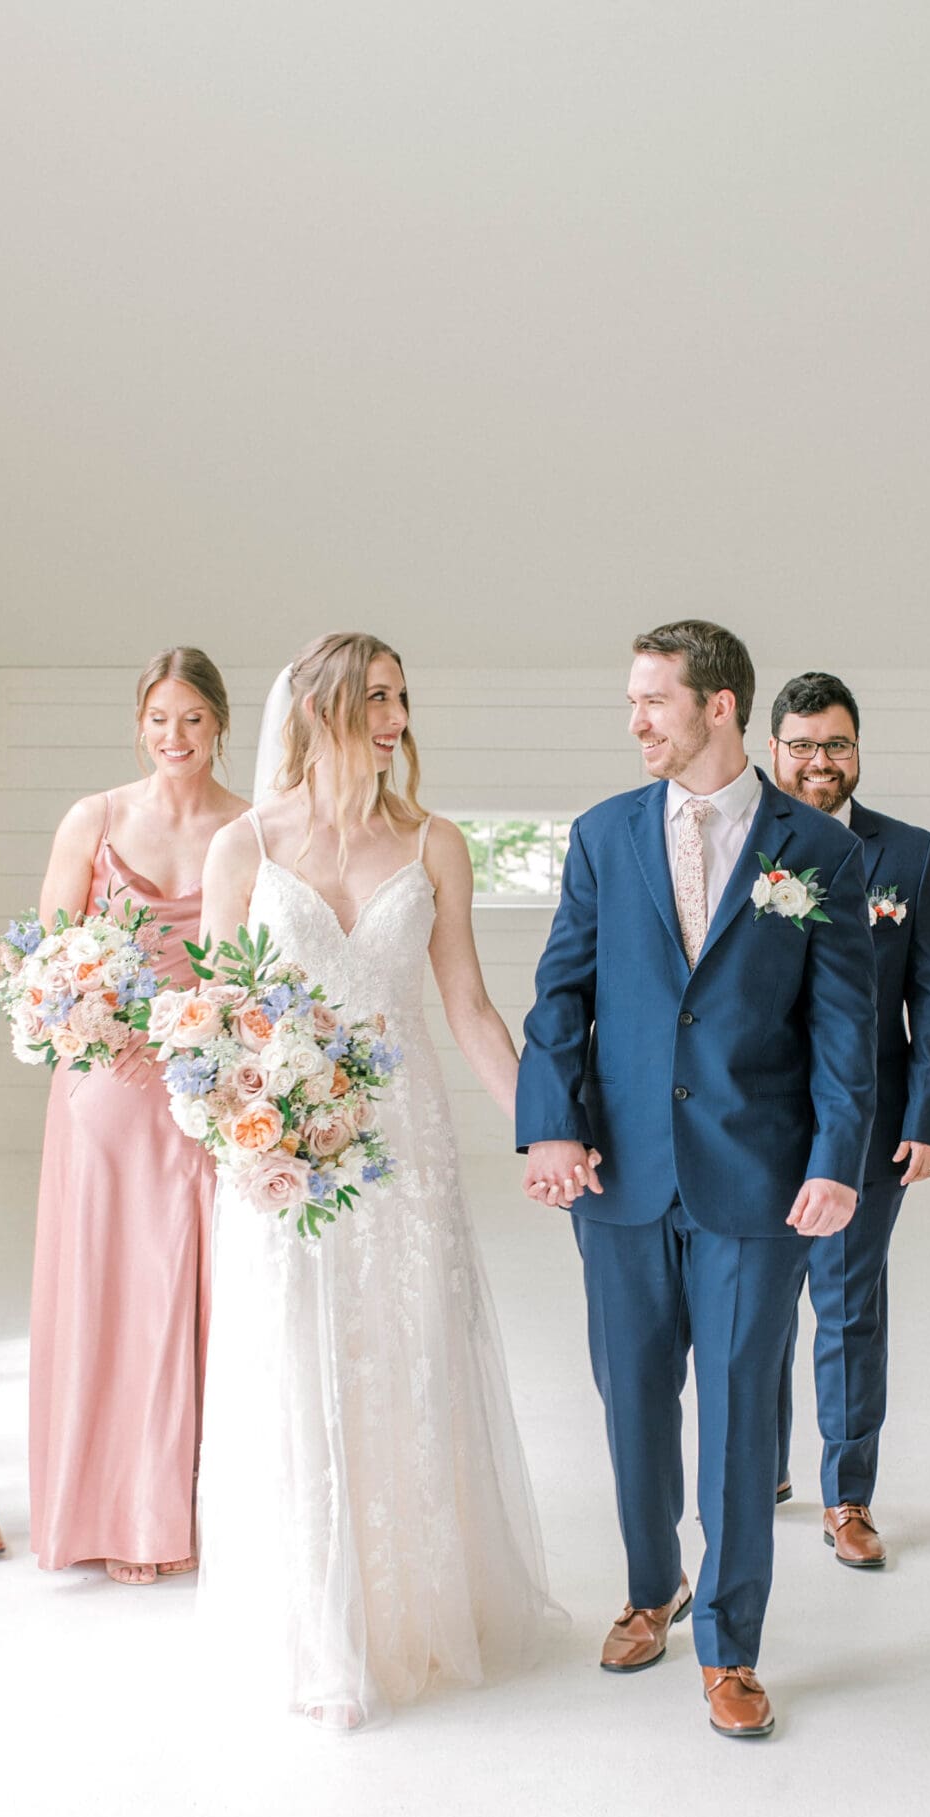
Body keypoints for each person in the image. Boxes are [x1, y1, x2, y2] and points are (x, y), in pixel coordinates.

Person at [192, 632, 555, 1730]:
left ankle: (407, 1614)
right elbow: (216, 1018)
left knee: (407, 1350)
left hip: (404, 1143)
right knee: (297, 1356)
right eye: (377, 697)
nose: (397, 717)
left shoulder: (435, 842)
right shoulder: (245, 846)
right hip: (287, 1150)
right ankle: (315, 1627)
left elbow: (470, 1008)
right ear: (321, 709)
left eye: (402, 696)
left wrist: (545, 1130)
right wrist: (248, 1133)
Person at [520, 619, 875, 1741]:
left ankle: (730, 1644)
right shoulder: (603, 835)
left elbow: (846, 1026)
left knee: (736, 1417)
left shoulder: (818, 850)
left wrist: (836, 1160)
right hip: (619, 1176)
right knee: (631, 1399)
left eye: (653, 700)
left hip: (756, 1181)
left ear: (718, 706)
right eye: (632, 700)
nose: (635, 719)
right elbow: (560, 996)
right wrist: (550, 1128)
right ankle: (650, 1587)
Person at [27, 649, 247, 1583]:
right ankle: (116, 1513)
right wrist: (98, 1026)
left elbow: (261, 970)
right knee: (114, 1295)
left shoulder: (250, 827)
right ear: (139, 725)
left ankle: (190, 1511)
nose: (175, 736)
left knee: (196, 1292)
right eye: (159, 718)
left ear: (220, 723)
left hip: (203, 1088)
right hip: (107, 1089)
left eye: (192, 718)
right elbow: (47, 960)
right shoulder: (96, 819)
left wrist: (199, 1045)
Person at [761, 672, 930, 1569]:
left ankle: (848, 1497)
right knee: (755, 1304)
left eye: (835, 745)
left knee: (847, 1311)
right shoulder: (742, 844)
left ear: (857, 751)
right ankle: (761, 1465)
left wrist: (929, 1116)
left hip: (870, 1124)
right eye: (802, 745)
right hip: (756, 1120)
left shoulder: (907, 853)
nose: (819, 762)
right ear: (773, 750)